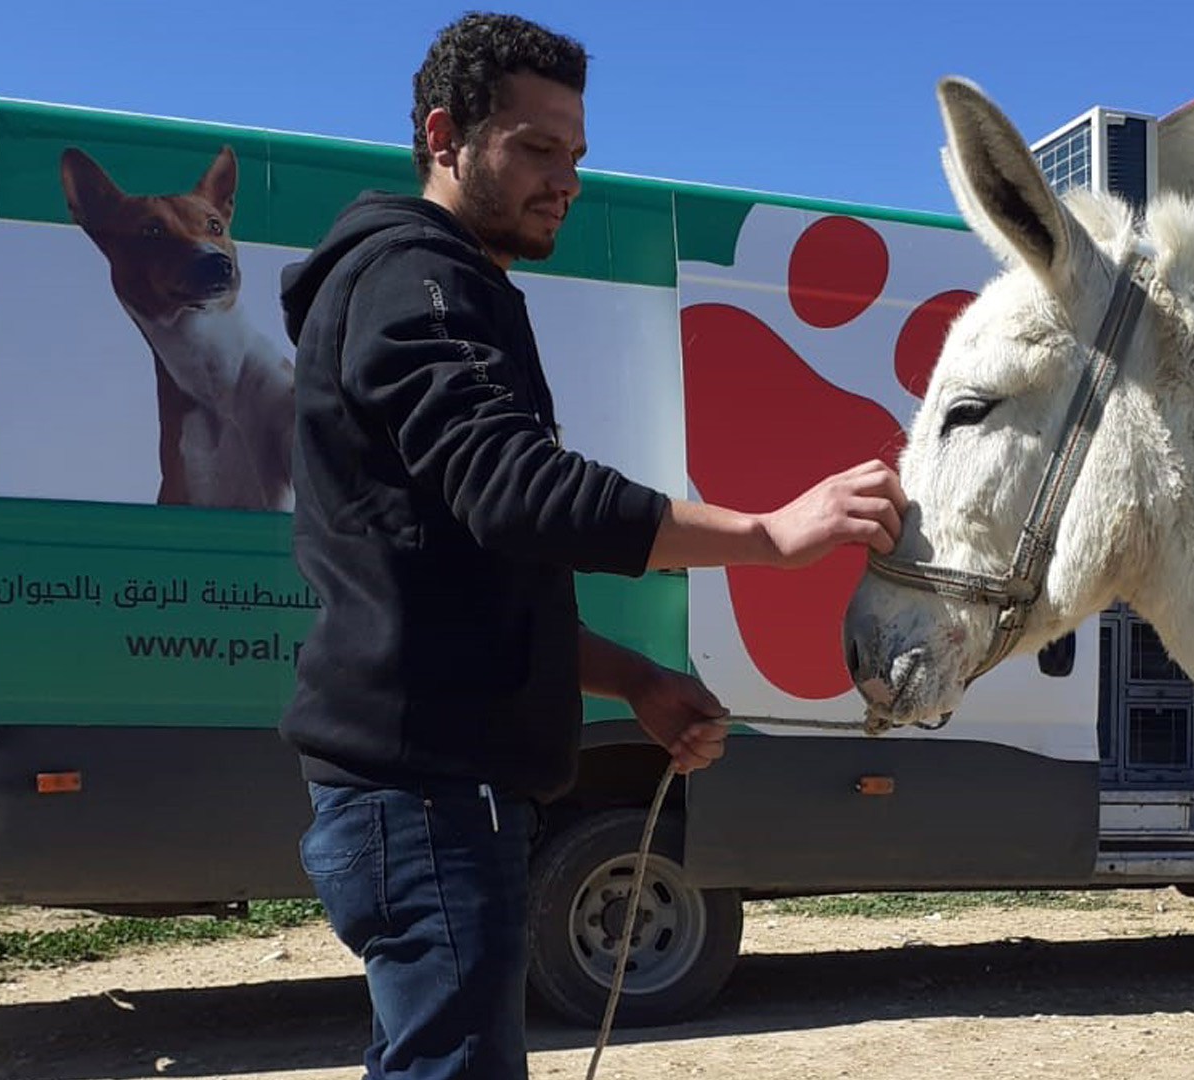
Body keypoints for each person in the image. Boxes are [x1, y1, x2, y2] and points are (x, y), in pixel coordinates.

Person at [276, 12, 907, 1079]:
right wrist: (766, 534)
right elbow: (518, 492)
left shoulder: (452, 283)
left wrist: (636, 680)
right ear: (444, 135)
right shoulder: (412, 280)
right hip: (427, 789)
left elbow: (468, 575)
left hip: (439, 792)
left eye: (574, 156)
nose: (565, 180)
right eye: (535, 149)